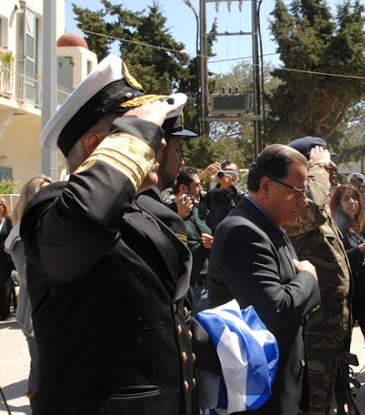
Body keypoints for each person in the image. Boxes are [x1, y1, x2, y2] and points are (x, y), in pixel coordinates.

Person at [20, 55, 218, 414]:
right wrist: (134, 137)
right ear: (100, 147)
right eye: (142, 134)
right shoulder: (51, 209)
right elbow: (84, 221)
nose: (156, 144)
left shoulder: (145, 213)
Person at [208, 144, 321, 414]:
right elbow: (275, 310)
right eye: (298, 192)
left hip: (277, 385)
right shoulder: (243, 232)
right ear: (266, 186)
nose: (304, 202)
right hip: (258, 394)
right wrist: (309, 277)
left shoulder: (270, 225)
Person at [283, 137, 352, 415]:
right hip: (312, 328)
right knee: (310, 402)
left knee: (323, 400)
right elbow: (309, 206)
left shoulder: (319, 200)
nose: (330, 170)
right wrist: (317, 170)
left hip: (330, 325)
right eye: (324, 166)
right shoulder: (295, 205)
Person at [4, 175, 53, 401]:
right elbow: (26, 274)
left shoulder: (53, 226)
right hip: (35, 310)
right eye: (42, 193)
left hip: (56, 305)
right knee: (39, 367)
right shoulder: (20, 233)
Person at [329, 185, 365, 388]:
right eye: (346, 199)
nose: (352, 202)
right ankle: (341, 385)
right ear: (338, 203)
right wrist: (363, 248)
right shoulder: (336, 227)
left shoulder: (355, 225)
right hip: (350, 297)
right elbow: (339, 260)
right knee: (344, 344)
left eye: (354, 198)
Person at [170, 166, 215, 313]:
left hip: (209, 290)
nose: (201, 188)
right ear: (183, 188)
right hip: (186, 292)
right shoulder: (166, 213)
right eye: (197, 185)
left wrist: (213, 243)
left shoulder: (203, 212)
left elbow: (220, 243)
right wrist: (179, 217)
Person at [200, 160, 245, 230]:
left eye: (231, 173)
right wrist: (203, 174)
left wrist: (231, 188)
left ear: (238, 176)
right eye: (224, 173)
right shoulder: (212, 195)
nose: (228, 176)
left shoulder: (244, 196)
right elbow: (190, 192)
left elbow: (244, 203)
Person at [0, 197, 13, 321]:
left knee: (4, 283)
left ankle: (4, 312)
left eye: (0, 204)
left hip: (5, 257)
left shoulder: (8, 221)